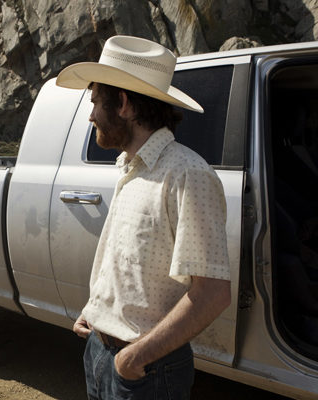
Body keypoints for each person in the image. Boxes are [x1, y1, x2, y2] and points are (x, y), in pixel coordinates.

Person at [56, 35, 231, 399]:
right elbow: (126, 262)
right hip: (100, 351)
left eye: (95, 103)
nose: (90, 115)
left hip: (147, 370)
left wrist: (135, 357)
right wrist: (96, 312)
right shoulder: (132, 167)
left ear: (122, 104)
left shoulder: (187, 174)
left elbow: (212, 293)